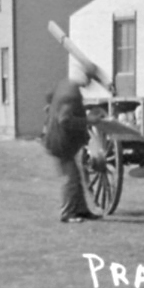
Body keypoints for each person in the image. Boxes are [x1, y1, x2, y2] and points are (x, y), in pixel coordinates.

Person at [44, 77, 99, 223]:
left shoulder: (64, 86)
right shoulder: (71, 96)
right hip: (60, 143)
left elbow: (49, 96)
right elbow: (64, 120)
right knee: (71, 179)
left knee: (75, 177)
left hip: (60, 141)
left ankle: (81, 210)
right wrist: (88, 121)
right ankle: (67, 213)